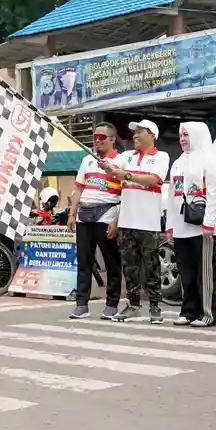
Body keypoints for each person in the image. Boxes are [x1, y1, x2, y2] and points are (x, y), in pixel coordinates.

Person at [102, 119, 169, 323]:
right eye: (135, 132)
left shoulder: (161, 157)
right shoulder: (127, 156)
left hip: (148, 223)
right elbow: (112, 168)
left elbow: (154, 179)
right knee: (130, 267)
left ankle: (155, 306)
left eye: (140, 131)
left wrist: (126, 175)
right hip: (126, 222)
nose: (135, 135)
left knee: (152, 266)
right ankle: (133, 305)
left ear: (152, 135)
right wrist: (106, 166)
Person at [166, 121, 216, 327]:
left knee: (204, 273)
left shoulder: (209, 160)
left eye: (186, 135)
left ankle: (207, 314)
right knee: (186, 271)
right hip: (181, 227)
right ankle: (188, 311)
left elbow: (214, 193)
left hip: (202, 227)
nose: (182, 139)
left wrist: (209, 222)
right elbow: (172, 194)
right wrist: (170, 225)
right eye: (181, 135)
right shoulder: (178, 162)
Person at [67, 122, 124, 320]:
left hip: (107, 212)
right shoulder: (87, 160)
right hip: (84, 214)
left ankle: (112, 304)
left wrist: (116, 220)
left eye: (102, 137)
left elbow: (126, 193)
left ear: (112, 139)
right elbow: (78, 188)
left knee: (111, 261)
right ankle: (81, 304)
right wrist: (72, 213)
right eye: (95, 137)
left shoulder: (121, 161)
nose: (97, 141)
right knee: (83, 261)